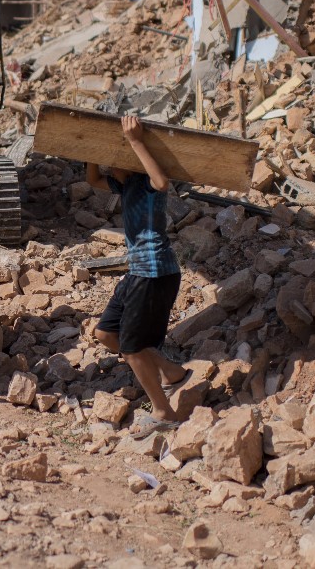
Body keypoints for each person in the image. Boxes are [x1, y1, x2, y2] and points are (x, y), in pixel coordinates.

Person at [86, 114, 190, 438]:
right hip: (138, 273)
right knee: (105, 334)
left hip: (156, 272)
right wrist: (91, 148)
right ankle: (171, 373)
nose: (110, 167)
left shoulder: (145, 183)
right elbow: (92, 180)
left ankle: (164, 412)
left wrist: (135, 141)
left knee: (131, 348)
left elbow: (163, 182)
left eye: (116, 161)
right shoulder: (126, 184)